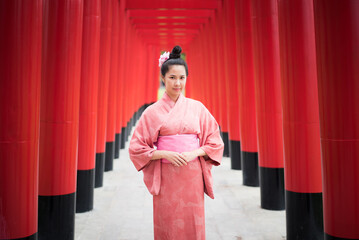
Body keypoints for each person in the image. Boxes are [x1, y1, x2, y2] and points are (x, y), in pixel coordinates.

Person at [129, 45, 224, 240]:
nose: (177, 83)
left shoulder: (197, 108)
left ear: (186, 78)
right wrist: (164, 153)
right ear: (163, 78)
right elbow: (136, 148)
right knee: (168, 223)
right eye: (172, 77)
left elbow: (215, 141)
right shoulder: (152, 112)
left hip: (192, 177)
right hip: (167, 178)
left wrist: (195, 153)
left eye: (182, 78)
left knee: (192, 223)